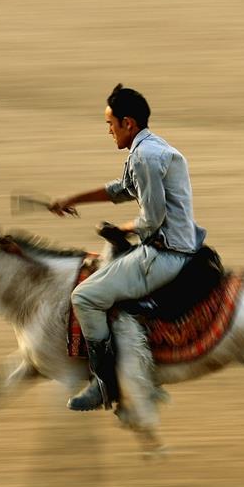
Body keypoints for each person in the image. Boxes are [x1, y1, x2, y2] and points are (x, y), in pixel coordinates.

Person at [49, 84, 206, 411]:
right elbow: (121, 189)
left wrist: (121, 228)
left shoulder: (145, 157)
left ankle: (104, 384)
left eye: (110, 124)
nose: (108, 131)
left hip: (166, 253)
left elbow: (152, 219)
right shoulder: (150, 148)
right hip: (178, 243)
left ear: (128, 123)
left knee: (84, 296)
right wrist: (72, 199)